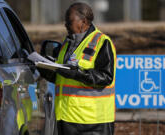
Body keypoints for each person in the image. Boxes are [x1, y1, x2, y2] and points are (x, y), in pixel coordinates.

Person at [46, 2, 116, 135]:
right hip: (66, 118)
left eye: (69, 21)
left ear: (83, 21)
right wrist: (44, 68)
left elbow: (106, 77)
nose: (65, 24)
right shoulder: (67, 43)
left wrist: (77, 73)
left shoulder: (102, 42)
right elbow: (62, 77)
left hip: (92, 123)